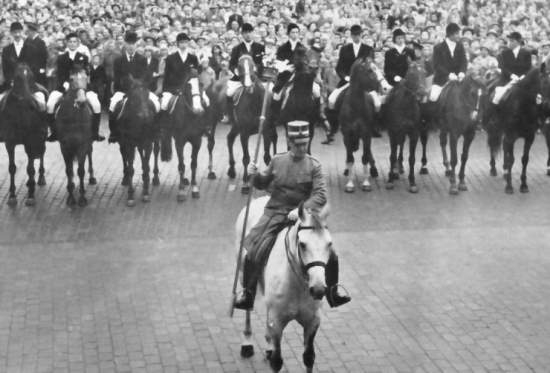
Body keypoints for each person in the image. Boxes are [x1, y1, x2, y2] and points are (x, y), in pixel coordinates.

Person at [233, 121, 351, 310]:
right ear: (289, 143)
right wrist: (253, 175)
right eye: (297, 145)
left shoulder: (314, 166)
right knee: (253, 248)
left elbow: (320, 195)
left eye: (305, 144)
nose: (302, 148)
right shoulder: (277, 161)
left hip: (305, 215)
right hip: (276, 211)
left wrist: (301, 209)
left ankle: (333, 291)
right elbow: (263, 183)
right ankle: (248, 292)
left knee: (331, 251)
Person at [45, 32, 103, 142]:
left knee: (96, 104)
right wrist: (65, 84)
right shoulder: (61, 57)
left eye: (74, 42)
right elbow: (60, 73)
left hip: (82, 86)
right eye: (70, 42)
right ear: (67, 43)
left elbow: (86, 72)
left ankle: (95, 133)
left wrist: (83, 84)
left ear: (78, 43)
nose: (72, 44)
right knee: (50, 104)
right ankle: (54, 132)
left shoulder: (83, 57)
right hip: (64, 86)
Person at [108, 31, 159, 143]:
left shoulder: (142, 59)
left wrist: (139, 86)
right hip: (123, 90)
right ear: (125, 44)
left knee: (156, 103)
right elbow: (117, 78)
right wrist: (126, 86)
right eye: (128, 43)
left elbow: (146, 77)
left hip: (140, 90)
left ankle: (154, 131)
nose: (131, 46)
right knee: (112, 105)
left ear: (136, 45)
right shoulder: (118, 61)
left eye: (133, 44)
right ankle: (113, 132)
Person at [158, 32, 199, 114]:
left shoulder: (193, 58)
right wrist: (169, 89)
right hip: (173, 88)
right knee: (164, 104)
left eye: (185, 42)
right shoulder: (171, 58)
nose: (183, 45)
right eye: (181, 42)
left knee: (202, 102)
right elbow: (167, 76)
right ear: (177, 44)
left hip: (189, 87)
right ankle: (162, 124)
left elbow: (196, 73)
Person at [226, 22, 265, 102]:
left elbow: (261, 63)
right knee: (229, 93)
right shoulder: (236, 48)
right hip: (240, 78)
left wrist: (256, 69)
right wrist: (236, 71)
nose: (248, 35)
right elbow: (232, 64)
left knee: (265, 92)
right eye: (245, 33)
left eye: (250, 32)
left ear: (253, 33)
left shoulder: (260, 47)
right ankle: (228, 113)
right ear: (242, 34)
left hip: (256, 78)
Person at [430, 23, 468, 102]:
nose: (459, 36)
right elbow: (437, 65)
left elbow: (464, 61)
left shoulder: (460, 46)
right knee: (433, 97)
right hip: (442, 80)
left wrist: (462, 72)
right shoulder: (438, 47)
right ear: (450, 34)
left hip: (458, 79)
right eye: (457, 34)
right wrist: (448, 74)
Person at [491, 32, 532, 105]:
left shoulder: (526, 53)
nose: (509, 43)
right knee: (497, 97)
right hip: (507, 79)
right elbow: (503, 67)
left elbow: (528, 67)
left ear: (518, 42)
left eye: (512, 41)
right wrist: (511, 75)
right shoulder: (505, 52)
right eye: (509, 41)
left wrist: (523, 76)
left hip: (522, 79)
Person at [1, 22, 36, 93]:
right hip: (11, 84)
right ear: (11, 33)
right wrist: (11, 81)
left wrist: (28, 80)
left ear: (22, 32)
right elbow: (6, 69)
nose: (17, 35)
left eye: (19, 32)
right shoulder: (6, 50)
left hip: (29, 84)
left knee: (40, 98)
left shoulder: (31, 48)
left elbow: (34, 66)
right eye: (14, 32)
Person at [272, 23, 304, 96]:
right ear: (288, 34)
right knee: (276, 96)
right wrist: (286, 68)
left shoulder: (303, 48)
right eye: (293, 32)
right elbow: (277, 63)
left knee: (316, 91)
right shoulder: (282, 48)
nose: (295, 34)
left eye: (297, 32)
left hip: (300, 76)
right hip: (284, 76)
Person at [25, 22, 48, 87]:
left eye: (28, 31)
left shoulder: (40, 42)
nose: (27, 33)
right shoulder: (27, 41)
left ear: (33, 31)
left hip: (38, 70)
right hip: (29, 69)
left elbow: (44, 56)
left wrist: (42, 68)